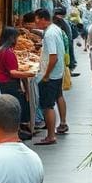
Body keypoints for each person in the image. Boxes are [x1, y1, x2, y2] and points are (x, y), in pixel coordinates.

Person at [0, 27, 36, 139]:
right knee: (15, 107)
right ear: (12, 38)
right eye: (17, 37)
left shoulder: (1, 50)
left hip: (2, 82)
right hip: (8, 84)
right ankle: (17, 132)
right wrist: (29, 74)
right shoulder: (7, 52)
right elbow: (13, 73)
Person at [34, 8, 66, 144]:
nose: (35, 23)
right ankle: (63, 123)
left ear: (42, 19)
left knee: (47, 106)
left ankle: (51, 136)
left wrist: (46, 75)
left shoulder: (49, 35)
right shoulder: (54, 29)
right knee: (59, 96)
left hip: (51, 75)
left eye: (36, 20)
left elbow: (53, 57)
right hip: (58, 73)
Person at [53, 6, 78, 75]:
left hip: (65, 44)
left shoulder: (59, 21)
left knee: (65, 59)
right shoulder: (65, 21)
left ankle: (67, 73)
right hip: (68, 42)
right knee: (67, 58)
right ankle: (68, 72)